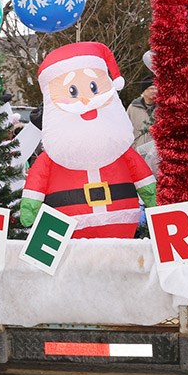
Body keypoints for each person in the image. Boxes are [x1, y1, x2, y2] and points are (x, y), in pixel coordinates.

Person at [21, 42, 156, 238]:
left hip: (120, 222)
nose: (85, 102)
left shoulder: (120, 149)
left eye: (93, 87)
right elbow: (37, 181)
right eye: (72, 92)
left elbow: (143, 177)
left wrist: (154, 199)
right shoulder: (53, 155)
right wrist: (29, 208)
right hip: (66, 227)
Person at [127, 77, 157, 148]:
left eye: (156, 88)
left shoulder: (162, 108)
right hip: (137, 150)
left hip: (155, 153)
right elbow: (126, 130)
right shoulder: (133, 108)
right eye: (151, 88)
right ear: (144, 91)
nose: (155, 91)